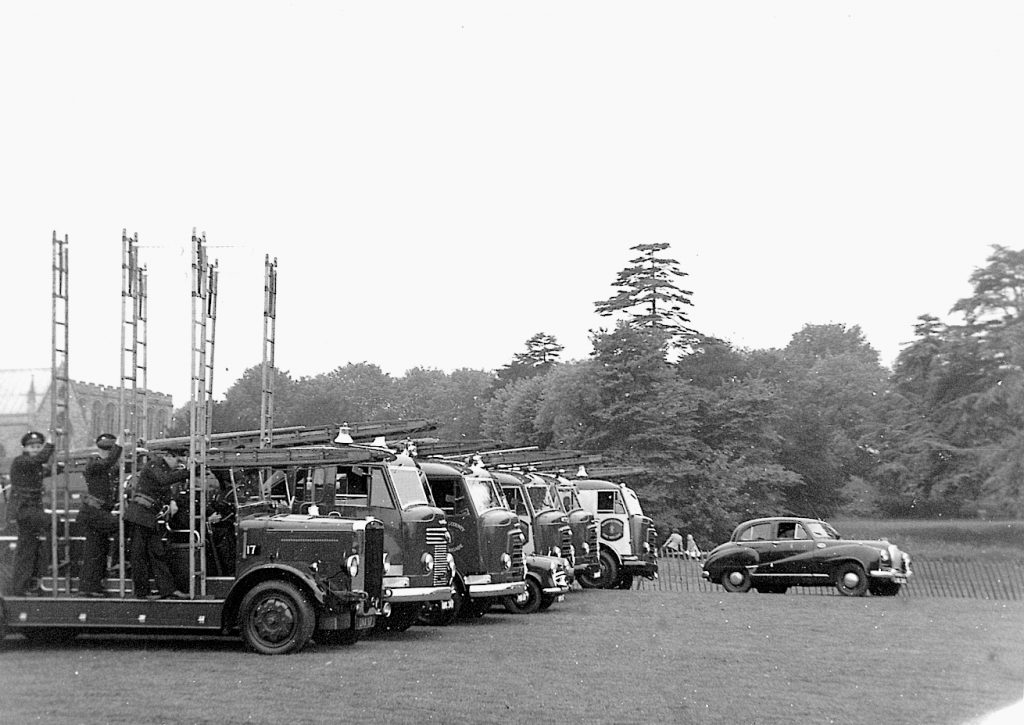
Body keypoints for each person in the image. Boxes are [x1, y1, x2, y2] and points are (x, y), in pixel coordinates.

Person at [124, 450, 190, 599]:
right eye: (177, 461)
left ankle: (167, 589)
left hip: (146, 517)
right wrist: (187, 473)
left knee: (157, 553)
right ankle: (142, 592)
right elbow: (163, 480)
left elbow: (165, 488)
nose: (177, 465)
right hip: (140, 515)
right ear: (169, 456)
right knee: (139, 554)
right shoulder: (154, 465)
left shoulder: (161, 469)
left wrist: (172, 500)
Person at [7, 431, 55, 596]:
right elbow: (39, 460)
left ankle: (20, 587)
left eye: (38, 446)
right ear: (25, 448)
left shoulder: (33, 464)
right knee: (53, 522)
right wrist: (50, 444)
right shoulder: (22, 461)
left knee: (27, 550)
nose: (35, 449)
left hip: (32, 510)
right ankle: (51, 561)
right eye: (32, 446)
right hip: (25, 510)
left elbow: (48, 469)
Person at [77, 433, 123, 597]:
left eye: (109, 449)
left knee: (96, 551)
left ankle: (90, 586)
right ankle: (117, 562)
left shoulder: (109, 466)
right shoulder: (93, 463)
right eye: (105, 450)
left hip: (99, 512)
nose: (107, 453)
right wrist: (120, 446)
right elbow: (109, 462)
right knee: (121, 526)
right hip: (93, 511)